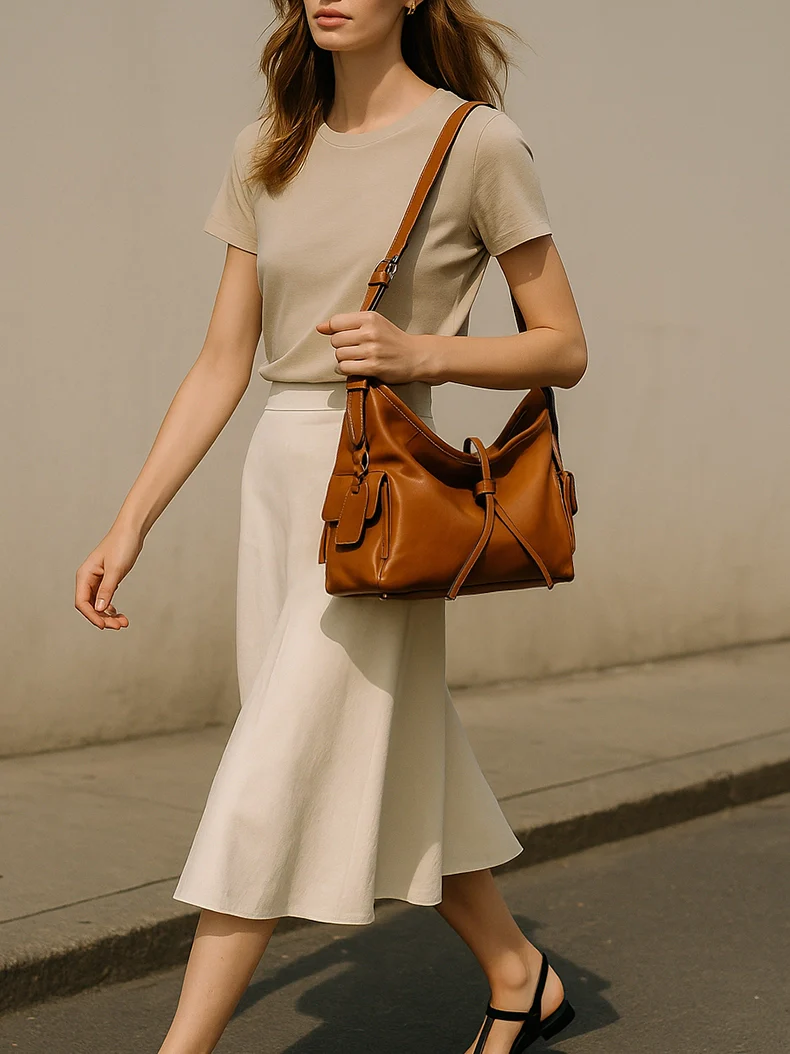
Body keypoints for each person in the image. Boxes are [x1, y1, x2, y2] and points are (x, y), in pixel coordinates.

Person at [75, 1, 588, 1051]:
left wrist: (422, 355)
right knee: (387, 752)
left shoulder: (474, 142)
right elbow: (224, 360)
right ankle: (514, 969)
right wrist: (130, 522)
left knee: (273, 765)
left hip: (380, 485)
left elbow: (563, 345)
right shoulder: (267, 147)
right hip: (282, 477)